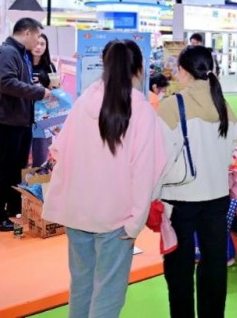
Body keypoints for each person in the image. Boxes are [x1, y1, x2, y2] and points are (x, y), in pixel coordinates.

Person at [43, 40, 167, 317]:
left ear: (105, 65)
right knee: (108, 294)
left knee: (81, 286)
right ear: (139, 68)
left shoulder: (84, 101)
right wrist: (135, 222)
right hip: (116, 217)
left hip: (77, 211)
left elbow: (59, 151)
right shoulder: (141, 109)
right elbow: (146, 170)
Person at [159, 45, 237, 316]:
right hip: (217, 197)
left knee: (178, 269)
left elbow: (159, 157)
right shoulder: (223, 105)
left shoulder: (171, 106)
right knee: (214, 265)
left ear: (183, 71)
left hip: (180, 200)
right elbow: (230, 150)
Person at [0, 18, 51, 232]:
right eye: (37, 36)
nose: (38, 41)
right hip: (6, 120)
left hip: (18, 120)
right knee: (4, 168)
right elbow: (6, 83)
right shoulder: (7, 52)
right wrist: (39, 92)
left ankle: (12, 208)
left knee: (16, 167)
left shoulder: (19, 54)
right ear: (27, 33)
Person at [30, 32, 60, 168]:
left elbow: (56, 89)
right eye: (36, 43)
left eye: (42, 44)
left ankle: (39, 179)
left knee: (41, 156)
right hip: (23, 115)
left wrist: (45, 83)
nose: (39, 47)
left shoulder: (50, 66)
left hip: (43, 117)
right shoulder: (23, 64)